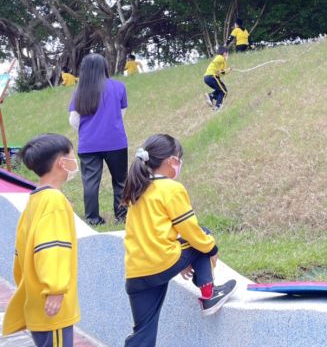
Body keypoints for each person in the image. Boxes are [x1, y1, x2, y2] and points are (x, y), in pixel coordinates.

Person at [122, 134, 236, 346]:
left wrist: (181, 259)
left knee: (143, 335)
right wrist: (212, 248)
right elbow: (191, 231)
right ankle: (209, 293)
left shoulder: (136, 189)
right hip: (161, 262)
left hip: (136, 272)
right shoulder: (171, 188)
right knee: (203, 234)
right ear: (172, 161)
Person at [2, 134, 80, 347]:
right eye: (72, 156)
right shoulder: (53, 201)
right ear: (61, 163)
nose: (75, 161)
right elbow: (52, 248)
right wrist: (55, 290)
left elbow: (21, 252)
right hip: (52, 305)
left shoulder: (35, 199)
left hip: (38, 300)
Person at [68, 53, 129, 226]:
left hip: (89, 144)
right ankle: (122, 215)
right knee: (120, 180)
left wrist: (88, 129)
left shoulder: (79, 91)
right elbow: (121, 113)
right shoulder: (119, 86)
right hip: (116, 141)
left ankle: (93, 218)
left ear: (84, 70)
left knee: (90, 182)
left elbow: (74, 120)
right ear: (104, 67)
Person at [204, 47, 231, 111]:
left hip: (208, 77)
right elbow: (216, 63)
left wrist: (228, 70)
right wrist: (218, 70)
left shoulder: (223, 62)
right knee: (224, 92)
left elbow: (222, 72)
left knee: (221, 91)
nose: (228, 56)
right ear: (224, 53)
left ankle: (211, 96)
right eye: (227, 54)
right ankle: (217, 105)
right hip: (212, 76)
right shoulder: (220, 57)